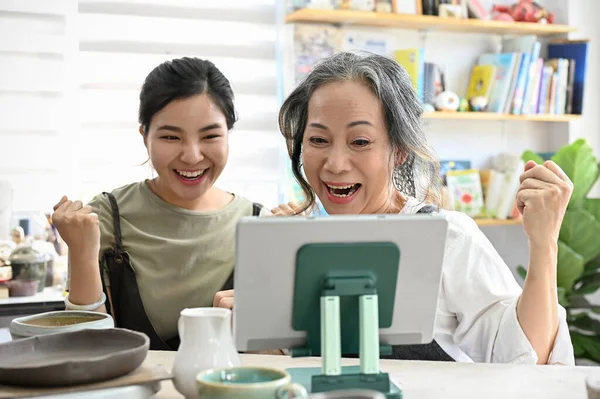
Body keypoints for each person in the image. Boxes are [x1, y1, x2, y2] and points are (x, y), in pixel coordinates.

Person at [215, 51, 575, 365]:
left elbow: (526, 357)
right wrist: (244, 327)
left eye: (360, 141)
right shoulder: (290, 242)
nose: (336, 163)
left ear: (399, 150)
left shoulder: (448, 237)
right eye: (318, 140)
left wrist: (545, 245)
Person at [52, 57, 267, 350]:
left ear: (228, 134)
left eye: (210, 135)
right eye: (170, 136)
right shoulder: (104, 217)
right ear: (145, 137)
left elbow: (278, 357)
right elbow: (81, 349)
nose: (192, 156)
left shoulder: (260, 224)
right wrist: (81, 251)